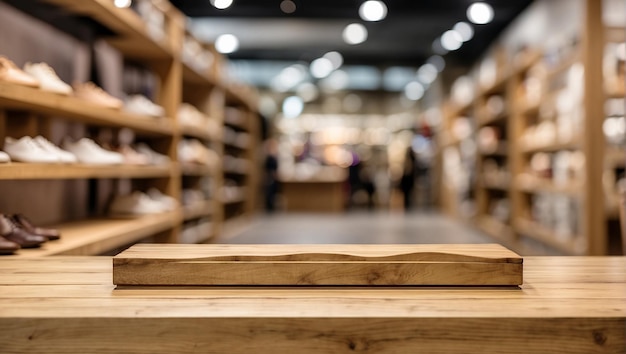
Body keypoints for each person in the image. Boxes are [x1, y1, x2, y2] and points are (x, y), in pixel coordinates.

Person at [263, 138, 279, 213]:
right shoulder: (269, 157)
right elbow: (267, 168)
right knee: (269, 193)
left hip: (273, 177)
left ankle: (271, 207)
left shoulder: (274, 156)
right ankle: (269, 208)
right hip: (270, 177)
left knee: (273, 193)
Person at [399, 147, 416, 211]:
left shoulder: (409, 160)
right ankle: (407, 205)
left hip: (407, 180)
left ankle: (407, 205)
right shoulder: (411, 160)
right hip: (408, 180)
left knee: (407, 195)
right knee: (407, 195)